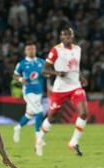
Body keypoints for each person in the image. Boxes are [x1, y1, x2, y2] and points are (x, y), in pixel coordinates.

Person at [36, 27, 88, 157]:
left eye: (69, 35)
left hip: (75, 86)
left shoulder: (78, 49)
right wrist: (57, 72)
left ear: (73, 36)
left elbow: (75, 67)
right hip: (60, 88)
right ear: (61, 37)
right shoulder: (56, 50)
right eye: (65, 36)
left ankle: (74, 142)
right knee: (51, 117)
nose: (67, 37)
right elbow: (44, 70)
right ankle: (39, 138)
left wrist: (81, 77)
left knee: (84, 113)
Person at [13, 43, 46, 144]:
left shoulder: (41, 62)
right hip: (28, 92)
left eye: (33, 49)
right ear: (25, 51)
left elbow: (47, 73)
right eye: (29, 49)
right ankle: (38, 137)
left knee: (29, 114)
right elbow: (15, 75)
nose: (31, 51)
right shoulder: (22, 64)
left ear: (35, 50)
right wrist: (21, 78)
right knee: (40, 112)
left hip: (39, 92)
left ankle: (17, 128)